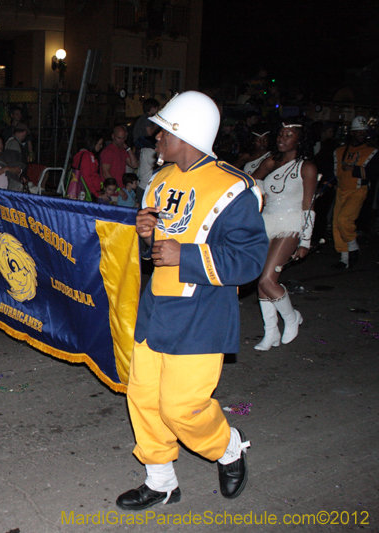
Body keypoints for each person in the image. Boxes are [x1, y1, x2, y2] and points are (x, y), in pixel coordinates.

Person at [116, 91, 268, 511]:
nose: (154, 136)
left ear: (184, 135)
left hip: (202, 315)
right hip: (156, 309)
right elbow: (155, 250)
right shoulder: (160, 181)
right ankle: (160, 479)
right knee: (143, 397)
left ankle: (228, 447)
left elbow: (249, 260)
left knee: (182, 408)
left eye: (162, 130)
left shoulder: (234, 187)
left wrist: (185, 255)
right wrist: (147, 237)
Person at [250, 121, 317, 350]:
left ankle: (291, 317)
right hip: (266, 222)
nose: (282, 138)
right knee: (263, 281)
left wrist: (305, 240)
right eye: (280, 134)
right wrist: (260, 194)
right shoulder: (271, 161)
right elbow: (251, 179)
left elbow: (308, 205)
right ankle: (271, 333)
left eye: (289, 135)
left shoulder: (306, 167)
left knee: (266, 279)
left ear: (299, 140)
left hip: (290, 223)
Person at [332, 116, 377, 269]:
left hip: (358, 190)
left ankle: (353, 245)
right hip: (341, 190)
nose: (362, 135)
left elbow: (375, 172)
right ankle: (344, 259)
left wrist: (355, 170)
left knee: (344, 219)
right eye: (359, 132)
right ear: (352, 133)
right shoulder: (340, 151)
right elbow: (333, 172)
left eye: (364, 132)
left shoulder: (371, 152)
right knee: (336, 224)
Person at [100, 125, 138, 190]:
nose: (121, 141)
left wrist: (128, 149)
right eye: (119, 138)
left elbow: (134, 165)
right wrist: (118, 189)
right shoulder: (108, 151)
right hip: (111, 191)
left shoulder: (122, 150)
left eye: (123, 138)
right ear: (113, 136)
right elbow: (105, 173)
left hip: (120, 188)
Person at [72, 132, 105, 199]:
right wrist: (96, 194)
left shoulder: (89, 156)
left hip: (90, 191)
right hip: (88, 193)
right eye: (99, 144)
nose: (101, 146)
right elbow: (86, 177)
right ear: (93, 144)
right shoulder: (86, 156)